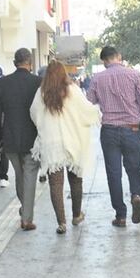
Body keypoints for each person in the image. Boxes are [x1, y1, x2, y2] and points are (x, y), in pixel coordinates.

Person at [87, 46, 140, 227]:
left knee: (114, 173)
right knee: (134, 167)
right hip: (132, 129)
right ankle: (136, 195)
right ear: (119, 57)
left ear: (104, 61)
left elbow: (90, 101)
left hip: (109, 130)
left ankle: (120, 215)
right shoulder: (134, 75)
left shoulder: (97, 78)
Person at [30, 60, 101, 234]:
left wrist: (44, 126)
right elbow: (86, 110)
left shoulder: (42, 93)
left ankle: (61, 222)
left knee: (56, 184)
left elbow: (34, 113)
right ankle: (76, 215)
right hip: (73, 142)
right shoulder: (73, 90)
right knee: (76, 180)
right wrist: (97, 111)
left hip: (51, 143)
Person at [0, 48, 42, 230]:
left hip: (10, 137)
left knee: (20, 175)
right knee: (29, 175)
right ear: (30, 63)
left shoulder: (2, 84)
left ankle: (25, 209)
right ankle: (27, 218)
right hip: (32, 138)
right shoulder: (38, 82)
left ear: (15, 62)